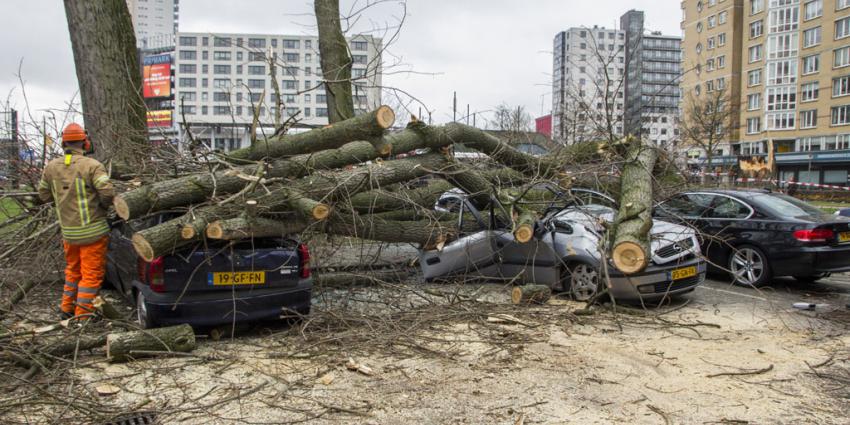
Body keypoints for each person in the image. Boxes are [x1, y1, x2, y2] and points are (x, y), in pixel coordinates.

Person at [38, 123, 114, 319]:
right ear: (85, 142)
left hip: (69, 233)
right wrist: (103, 207)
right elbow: (107, 192)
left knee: (73, 271)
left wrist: (61, 203)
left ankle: (66, 309)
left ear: (64, 142)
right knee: (90, 275)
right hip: (93, 232)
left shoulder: (52, 167)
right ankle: (83, 316)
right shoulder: (92, 166)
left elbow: (43, 194)